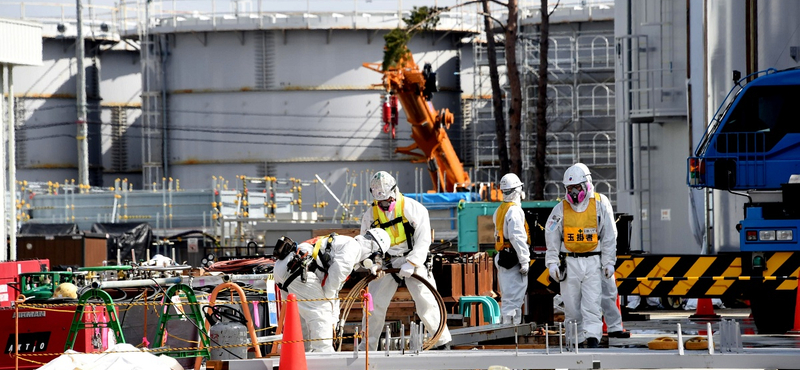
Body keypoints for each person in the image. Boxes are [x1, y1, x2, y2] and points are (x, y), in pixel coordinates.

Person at [359, 171, 451, 350]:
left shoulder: (413, 209)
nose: (384, 205)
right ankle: (368, 347)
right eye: (381, 203)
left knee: (426, 300)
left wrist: (413, 263)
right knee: (373, 304)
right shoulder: (370, 215)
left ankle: (442, 342)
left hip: (412, 259)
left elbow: (424, 239)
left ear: (394, 192)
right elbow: (365, 243)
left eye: (387, 201)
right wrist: (372, 264)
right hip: (386, 263)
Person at [273, 229, 391, 352]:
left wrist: (334, 319)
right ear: (373, 248)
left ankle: (301, 357)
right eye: (377, 257)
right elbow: (335, 277)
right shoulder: (354, 247)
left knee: (301, 322)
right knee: (320, 313)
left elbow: (335, 288)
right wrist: (328, 307)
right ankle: (324, 357)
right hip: (298, 272)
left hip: (286, 270)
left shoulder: (345, 246)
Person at [544, 163, 617, 348]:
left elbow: (609, 235)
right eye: (569, 188)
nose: (574, 192)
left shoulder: (600, 203)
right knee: (571, 307)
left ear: (587, 184)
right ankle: (574, 341)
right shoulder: (560, 209)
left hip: (593, 261)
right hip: (570, 263)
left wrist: (609, 262)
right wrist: (552, 262)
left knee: (592, 304)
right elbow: (551, 235)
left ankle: (593, 339)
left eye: (577, 187)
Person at [493, 173, 531, 325]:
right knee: (514, 297)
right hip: (513, 258)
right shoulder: (514, 211)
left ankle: (506, 326)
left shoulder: (500, 209)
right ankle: (511, 330)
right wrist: (524, 259)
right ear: (518, 190)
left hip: (503, 257)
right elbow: (517, 237)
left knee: (508, 296)